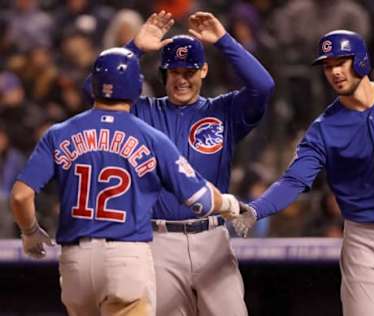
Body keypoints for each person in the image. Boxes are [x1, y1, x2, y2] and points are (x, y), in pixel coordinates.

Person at [232, 30, 374, 316]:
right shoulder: (324, 129)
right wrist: (257, 209)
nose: (334, 71)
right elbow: (295, 180)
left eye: (341, 62)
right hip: (364, 242)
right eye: (327, 65)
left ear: (360, 60)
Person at [9, 47, 240, 316]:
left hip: (75, 261)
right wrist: (230, 204)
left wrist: (30, 232)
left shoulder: (58, 133)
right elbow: (199, 200)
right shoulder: (150, 137)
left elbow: (20, 196)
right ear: (136, 86)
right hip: (125, 257)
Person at [84, 10, 274, 316]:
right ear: (164, 74)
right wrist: (134, 48)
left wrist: (224, 41)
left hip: (213, 238)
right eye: (175, 72)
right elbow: (93, 91)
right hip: (158, 241)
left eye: (189, 71)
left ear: (204, 72)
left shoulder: (224, 111)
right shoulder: (141, 113)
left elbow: (263, 86)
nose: (182, 79)